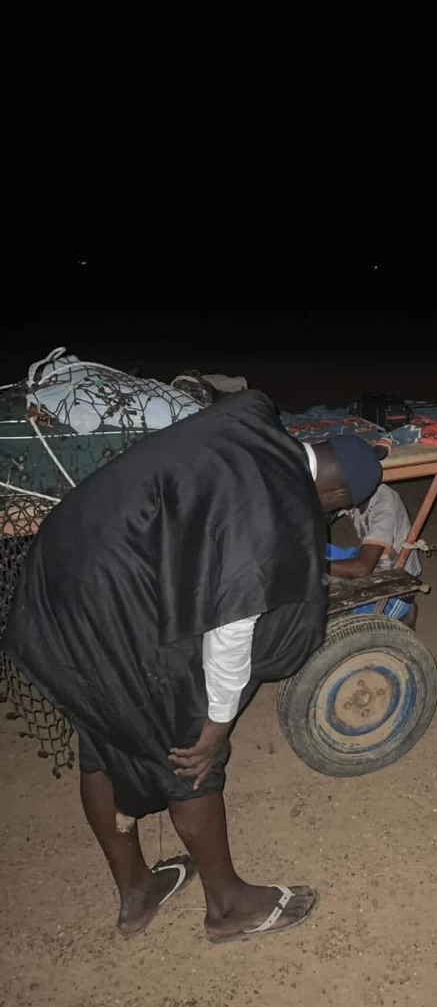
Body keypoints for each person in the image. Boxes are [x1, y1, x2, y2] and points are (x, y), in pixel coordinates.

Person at [2, 390, 383, 943]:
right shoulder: (270, 508)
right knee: (189, 747)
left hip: (55, 578)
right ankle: (228, 906)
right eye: (334, 509)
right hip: (110, 604)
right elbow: (232, 626)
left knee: (105, 734)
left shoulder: (252, 425)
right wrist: (218, 723)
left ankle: (137, 890)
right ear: (338, 492)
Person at [327, 482, 422, 628]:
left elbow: (363, 569)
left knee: (343, 629)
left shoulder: (384, 504)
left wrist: (314, 566)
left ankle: (404, 613)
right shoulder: (354, 492)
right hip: (368, 562)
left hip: (394, 586)